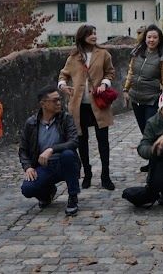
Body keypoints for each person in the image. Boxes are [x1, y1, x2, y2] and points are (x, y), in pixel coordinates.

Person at [58, 24, 116, 191]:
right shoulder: (74, 57)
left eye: (95, 33)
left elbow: (110, 72)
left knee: (103, 140)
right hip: (78, 105)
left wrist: (105, 83)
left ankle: (106, 175)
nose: (94, 36)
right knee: (81, 140)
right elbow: (64, 74)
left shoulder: (103, 54)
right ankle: (87, 174)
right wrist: (63, 85)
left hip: (98, 103)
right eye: (90, 34)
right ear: (82, 36)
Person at [18, 86, 81, 216]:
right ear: (43, 104)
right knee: (27, 189)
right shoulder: (31, 123)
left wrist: (52, 149)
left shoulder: (65, 118)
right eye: (55, 100)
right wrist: (28, 167)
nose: (59, 103)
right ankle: (47, 193)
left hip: (64, 164)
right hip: (44, 166)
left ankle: (73, 197)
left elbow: (74, 142)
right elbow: (23, 149)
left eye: (59, 99)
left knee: (68, 155)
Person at [123, 24, 163, 173]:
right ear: (145, 38)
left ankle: (157, 163)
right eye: (149, 37)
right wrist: (126, 89)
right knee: (145, 132)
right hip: (136, 98)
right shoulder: (137, 52)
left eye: (155, 37)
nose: (151, 40)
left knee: (152, 131)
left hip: (152, 99)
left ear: (159, 39)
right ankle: (153, 160)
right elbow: (131, 72)